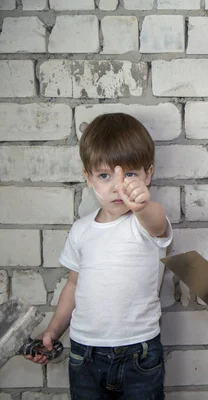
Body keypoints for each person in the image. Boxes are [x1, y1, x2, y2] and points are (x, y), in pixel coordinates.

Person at [25, 113, 172, 400]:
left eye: (129, 174)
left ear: (148, 174)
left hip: (138, 353)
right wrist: (53, 332)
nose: (118, 186)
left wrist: (142, 204)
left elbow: (157, 221)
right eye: (105, 175)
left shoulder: (144, 223)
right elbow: (73, 286)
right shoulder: (81, 231)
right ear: (89, 178)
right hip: (85, 354)